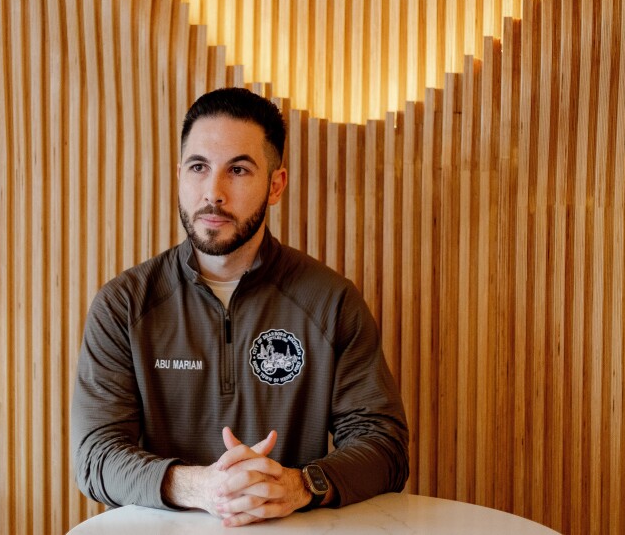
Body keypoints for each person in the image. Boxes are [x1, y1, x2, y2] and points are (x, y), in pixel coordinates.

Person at [71, 87, 409, 527]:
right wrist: (200, 487)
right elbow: (95, 455)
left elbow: (384, 446)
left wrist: (300, 485)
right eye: (199, 167)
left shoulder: (330, 301)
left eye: (239, 170)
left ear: (275, 185)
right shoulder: (123, 305)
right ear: (179, 175)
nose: (213, 192)